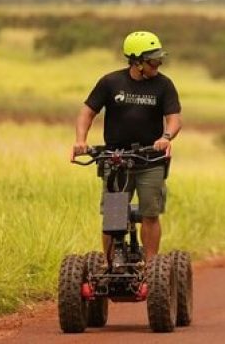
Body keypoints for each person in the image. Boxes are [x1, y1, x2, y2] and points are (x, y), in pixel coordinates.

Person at [72, 30, 182, 263]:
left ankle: (151, 266)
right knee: (113, 216)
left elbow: (174, 119)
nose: (158, 64)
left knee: (150, 214)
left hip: (150, 160)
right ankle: (111, 265)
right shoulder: (111, 82)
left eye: (160, 59)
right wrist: (81, 140)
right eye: (153, 60)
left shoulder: (164, 85)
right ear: (137, 61)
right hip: (115, 159)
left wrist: (166, 136)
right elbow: (87, 113)